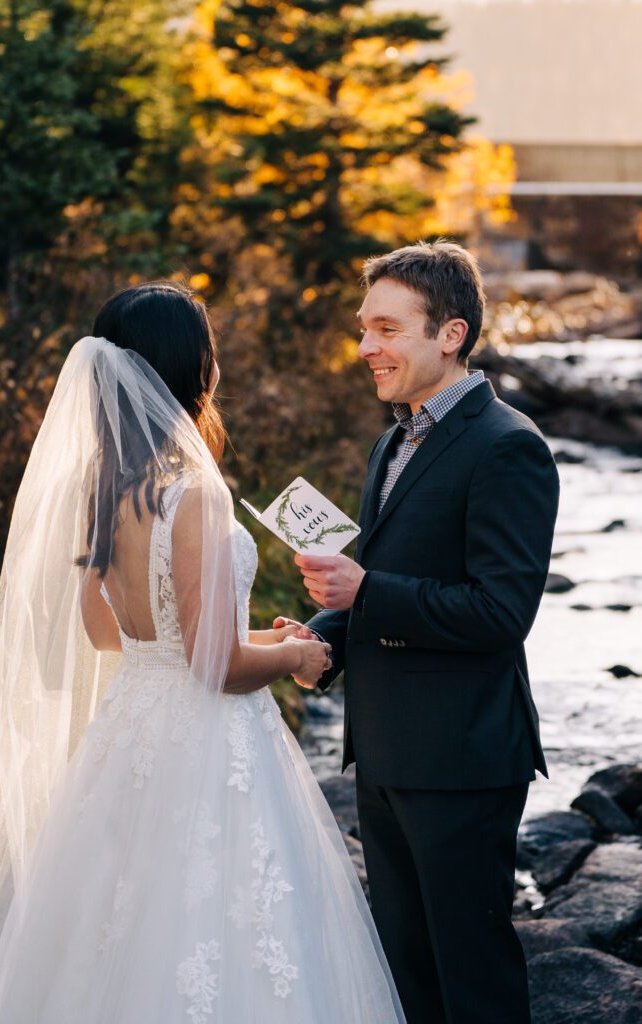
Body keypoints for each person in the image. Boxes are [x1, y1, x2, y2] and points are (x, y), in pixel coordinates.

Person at [0, 281, 405, 1023]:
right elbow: (214, 667)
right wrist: (296, 660)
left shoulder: (106, 485)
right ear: (191, 368)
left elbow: (121, 636)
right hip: (204, 742)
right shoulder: (195, 490)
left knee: (114, 928)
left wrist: (261, 634)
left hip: (132, 730)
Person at [275, 241, 560, 1024]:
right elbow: (385, 573)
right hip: (386, 747)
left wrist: (367, 589)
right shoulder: (394, 439)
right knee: (406, 972)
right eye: (364, 330)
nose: (366, 347)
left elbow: (500, 614)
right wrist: (323, 634)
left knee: (472, 978)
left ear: (450, 334)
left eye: (386, 330)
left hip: (462, 756)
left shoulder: (509, 447)